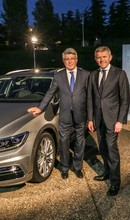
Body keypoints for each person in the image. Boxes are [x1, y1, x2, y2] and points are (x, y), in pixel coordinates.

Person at [28, 48, 90, 180]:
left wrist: (91, 117)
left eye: (72, 59)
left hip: (81, 115)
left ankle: (78, 167)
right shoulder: (59, 76)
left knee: (80, 142)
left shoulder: (85, 75)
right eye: (67, 59)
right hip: (65, 114)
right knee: (63, 142)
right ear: (63, 61)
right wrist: (40, 108)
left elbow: (90, 97)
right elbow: (50, 92)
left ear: (76, 60)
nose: (70, 61)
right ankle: (65, 167)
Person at [88, 46, 130, 196]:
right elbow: (90, 99)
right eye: (99, 57)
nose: (101, 60)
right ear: (95, 59)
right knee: (103, 148)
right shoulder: (93, 75)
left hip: (113, 120)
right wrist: (90, 119)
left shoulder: (119, 74)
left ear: (110, 57)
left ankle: (115, 182)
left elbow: (125, 100)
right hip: (98, 119)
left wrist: (120, 121)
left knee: (112, 150)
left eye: (104, 57)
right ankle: (106, 172)